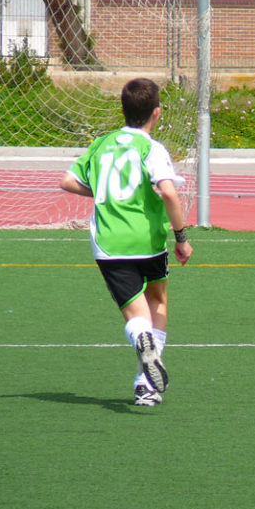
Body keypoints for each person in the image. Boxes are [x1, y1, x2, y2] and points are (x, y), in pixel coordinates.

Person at [59, 77, 193, 407]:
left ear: (123, 109)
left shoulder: (101, 143)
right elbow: (170, 194)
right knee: (157, 300)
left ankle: (143, 357)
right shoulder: (152, 148)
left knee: (136, 316)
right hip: (148, 239)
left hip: (109, 242)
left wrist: (102, 191)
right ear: (157, 113)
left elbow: (67, 181)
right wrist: (182, 238)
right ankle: (145, 384)